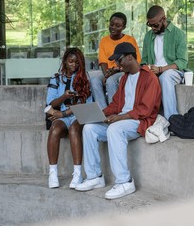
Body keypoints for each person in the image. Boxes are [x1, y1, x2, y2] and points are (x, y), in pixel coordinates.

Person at [75, 42, 161, 200]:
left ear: (129, 57)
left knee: (115, 129)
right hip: (123, 120)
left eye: (119, 60)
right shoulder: (124, 79)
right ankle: (95, 177)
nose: (117, 64)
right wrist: (98, 114)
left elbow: (145, 110)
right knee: (89, 128)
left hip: (139, 121)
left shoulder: (149, 78)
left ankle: (125, 182)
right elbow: (115, 104)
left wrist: (119, 118)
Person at [45, 47, 92, 189]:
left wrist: (63, 113)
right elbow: (51, 103)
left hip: (79, 115)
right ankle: (53, 173)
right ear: (65, 61)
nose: (74, 65)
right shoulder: (56, 79)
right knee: (54, 129)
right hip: (63, 116)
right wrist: (64, 97)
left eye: (77, 63)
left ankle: (77, 174)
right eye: (71, 62)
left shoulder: (84, 78)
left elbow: (86, 105)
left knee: (74, 129)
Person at [141, 5, 188, 120]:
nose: (152, 28)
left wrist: (161, 69)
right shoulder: (148, 36)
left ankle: (171, 119)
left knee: (165, 77)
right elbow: (144, 60)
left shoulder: (179, 34)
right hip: (153, 71)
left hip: (173, 72)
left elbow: (182, 62)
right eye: (150, 25)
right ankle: (142, 119)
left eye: (155, 25)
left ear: (164, 19)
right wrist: (146, 68)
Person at [90, 12, 141, 109]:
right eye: (111, 24)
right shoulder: (104, 40)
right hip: (109, 71)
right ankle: (103, 110)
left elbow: (135, 63)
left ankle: (114, 110)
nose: (113, 27)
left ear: (124, 27)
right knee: (94, 80)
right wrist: (106, 75)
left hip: (124, 70)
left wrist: (115, 71)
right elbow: (103, 62)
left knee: (111, 81)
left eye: (118, 26)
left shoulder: (130, 40)